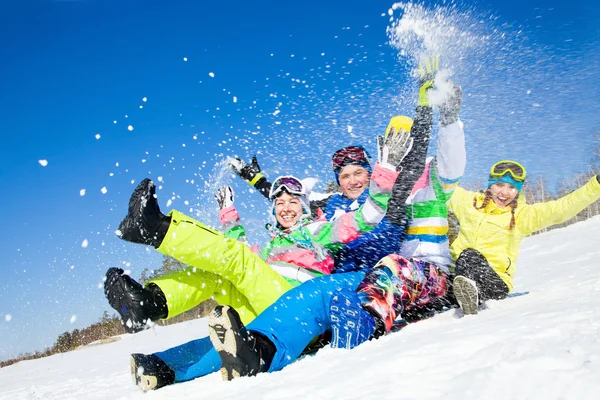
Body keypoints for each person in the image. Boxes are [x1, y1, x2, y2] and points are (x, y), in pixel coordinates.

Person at [106, 113, 423, 391]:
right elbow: (235, 246)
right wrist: (228, 211)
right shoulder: (272, 245)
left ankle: (157, 229)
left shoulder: (319, 230)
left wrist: (386, 168)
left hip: (293, 297)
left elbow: (369, 214)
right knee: (219, 284)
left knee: (240, 261)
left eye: (293, 202)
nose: (286, 208)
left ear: (305, 208)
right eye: (280, 203)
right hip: (263, 299)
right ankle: (153, 324)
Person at [205, 74, 467, 379]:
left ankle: (350, 335)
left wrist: (444, 117)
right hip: (346, 284)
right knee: (317, 294)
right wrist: (255, 179)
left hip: (390, 275)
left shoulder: (395, 197)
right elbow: (290, 205)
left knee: (387, 270)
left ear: (375, 171)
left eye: (360, 173)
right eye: (345, 176)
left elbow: (437, 161)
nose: (353, 180)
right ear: (338, 181)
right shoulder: (331, 205)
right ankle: (265, 347)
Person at [450, 160, 600, 314]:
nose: (504, 193)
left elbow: (561, 209)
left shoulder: (522, 216)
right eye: (499, 185)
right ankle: (444, 301)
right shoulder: (470, 203)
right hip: (455, 277)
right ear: (490, 185)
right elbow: (443, 187)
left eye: (512, 188)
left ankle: (472, 298)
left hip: (493, 282)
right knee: (431, 274)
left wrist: (596, 185)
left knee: (469, 256)